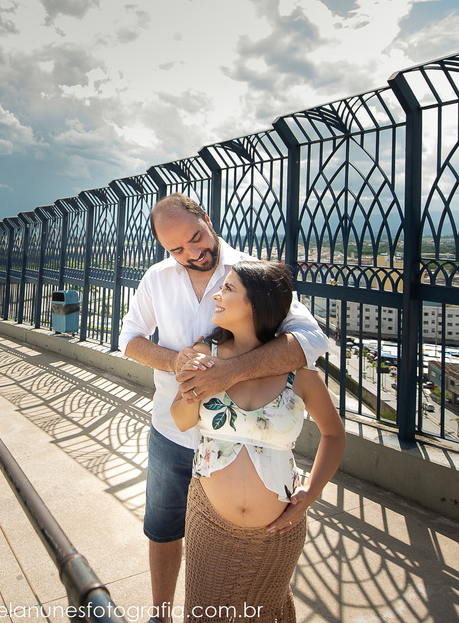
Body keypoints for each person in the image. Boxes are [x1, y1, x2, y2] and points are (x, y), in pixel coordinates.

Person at [119, 194, 329, 623]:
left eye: (196, 239)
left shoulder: (249, 275)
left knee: (229, 569)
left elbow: (311, 340)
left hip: (238, 442)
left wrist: (227, 374)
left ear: (207, 219)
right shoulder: (157, 278)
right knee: (162, 528)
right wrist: (174, 360)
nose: (192, 254)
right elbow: (130, 339)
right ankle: (160, 616)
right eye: (176, 250)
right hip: (172, 428)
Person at [170, 261, 345, 623]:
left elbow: (334, 433)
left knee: (264, 614)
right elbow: (181, 420)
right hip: (209, 522)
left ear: (255, 305)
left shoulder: (299, 373)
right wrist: (192, 387)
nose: (216, 295)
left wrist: (310, 493)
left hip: (276, 533)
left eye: (228, 289)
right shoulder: (206, 357)